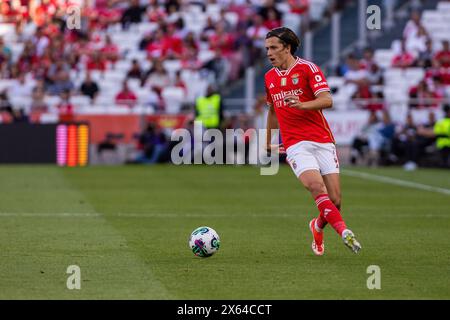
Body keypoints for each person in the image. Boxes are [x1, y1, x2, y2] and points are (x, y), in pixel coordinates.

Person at [264, 27, 361, 256]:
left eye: (274, 48)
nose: (269, 53)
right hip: (295, 143)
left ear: (287, 48)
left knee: (335, 201)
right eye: (267, 48)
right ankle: (345, 232)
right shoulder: (269, 77)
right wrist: (268, 141)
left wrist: (302, 104)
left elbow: (327, 100)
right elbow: (272, 110)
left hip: (321, 139)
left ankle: (316, 226)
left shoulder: (308, 69)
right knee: (316, 188)